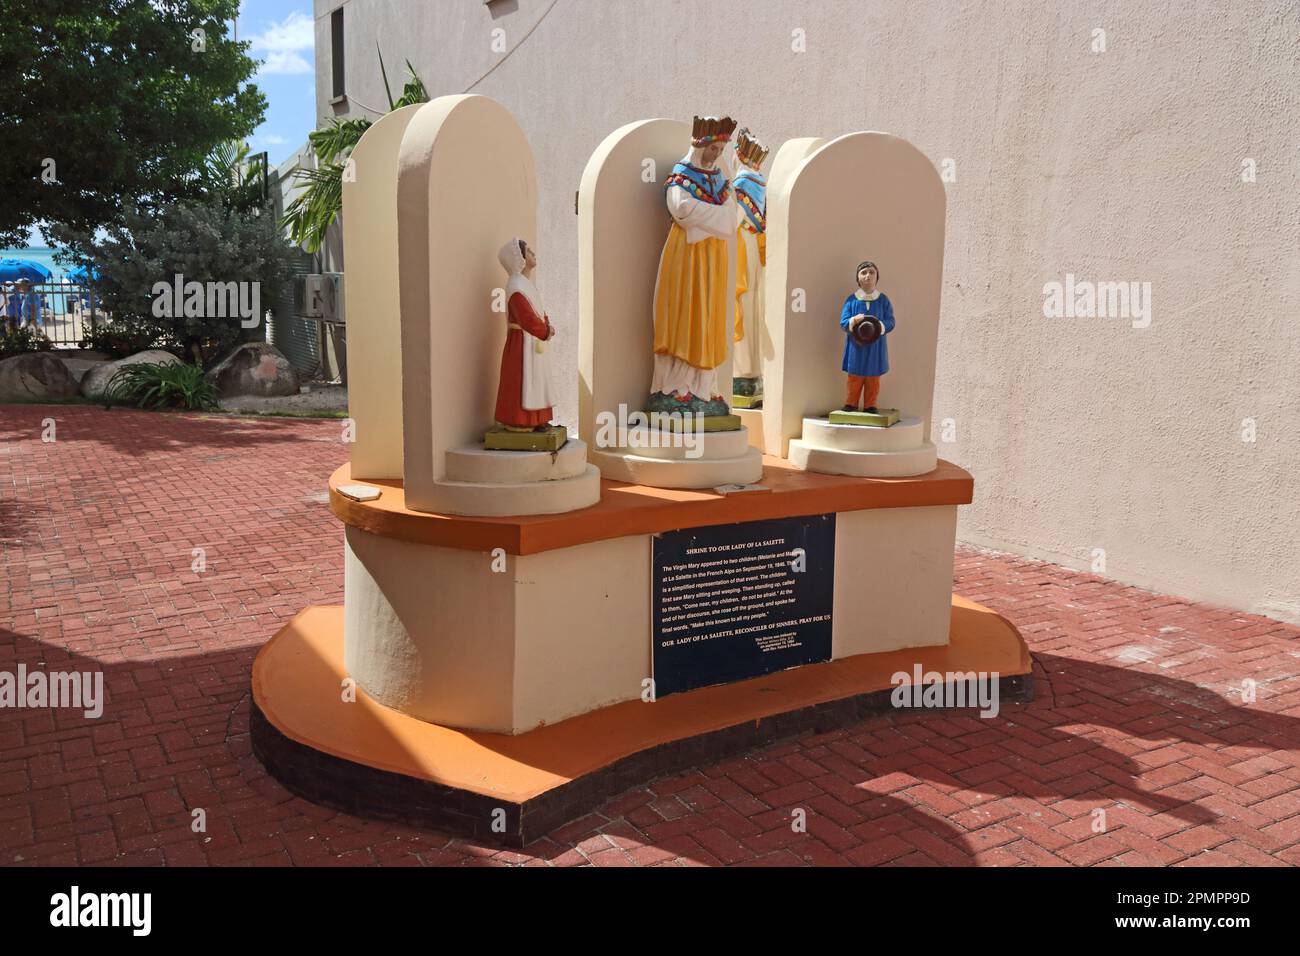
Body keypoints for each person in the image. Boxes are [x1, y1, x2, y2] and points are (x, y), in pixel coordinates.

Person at [649, 115, 738, 417]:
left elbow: (730, 219)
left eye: (722, 150)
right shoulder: (681, 176)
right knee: (684, 313)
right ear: (701, 146)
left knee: (708, 316)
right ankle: (676, 387)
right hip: (685, 257)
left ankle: (704, 386)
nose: (718, 155)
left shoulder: (719, 181)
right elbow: (681, 210)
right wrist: (711, 220)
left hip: (712, 257)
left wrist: (706, 220)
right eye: (715, 149)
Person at [494, 237, 557, 432]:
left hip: (534, 342)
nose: (533, 253)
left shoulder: (526, 284)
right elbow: (526, 317)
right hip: (522, 344)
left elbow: (538, 311)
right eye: (528, 251)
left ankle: (537, 419)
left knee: (538, 381)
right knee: (521, 381)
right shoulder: (516, 286)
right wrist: (545, 330)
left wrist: (546, 324)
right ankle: (520, 421)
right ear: (519, 258)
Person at [732, 127, 769, 407]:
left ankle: (742, 375)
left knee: (740, 307)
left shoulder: (740, 184)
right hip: (756, 250)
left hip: (741, 248)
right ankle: (753, 375)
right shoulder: (763, 185)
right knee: (753, 309)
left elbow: (732, 219)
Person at [840, 260, 895, 413]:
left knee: (873, 376)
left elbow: (891, 321)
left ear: (877, 277)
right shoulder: (852, 300)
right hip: (856, 345)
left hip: (876, 345)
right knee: (855, 376)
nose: (867, 276)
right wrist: (852, 320)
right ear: (857, 278)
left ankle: (871, 404)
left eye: (871, 272)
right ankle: (851, 402)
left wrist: (881, 326)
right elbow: (843, 321)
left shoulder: (883, 300)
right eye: (863, 273)